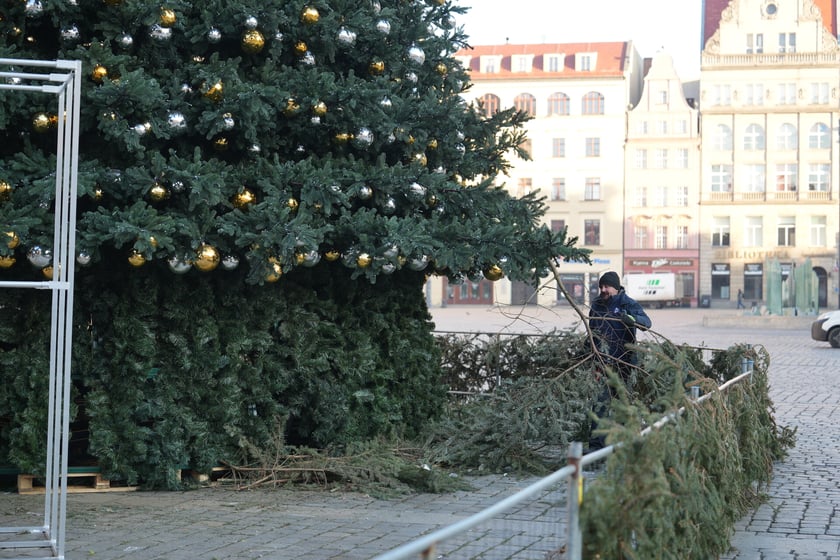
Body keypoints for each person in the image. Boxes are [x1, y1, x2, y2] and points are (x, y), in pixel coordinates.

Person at [586, 271, 652, 451]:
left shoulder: (627, 303)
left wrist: (632, 319)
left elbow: (646, 323)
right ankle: (595, 448)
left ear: (616, 287)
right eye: (601, 286)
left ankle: (623, 446)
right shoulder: (597, 305)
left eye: (606, 286)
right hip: (602, 363)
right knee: (599, 403)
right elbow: (592, 331)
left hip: (624, 363)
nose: (603, 290)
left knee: (623, 405)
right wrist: (588, 351)